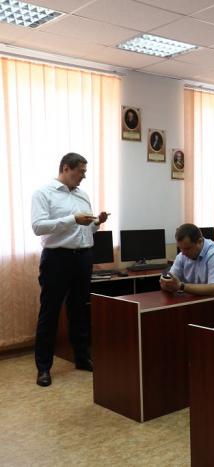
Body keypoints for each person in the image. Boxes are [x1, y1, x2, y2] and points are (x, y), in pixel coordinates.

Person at [31, 153, 110, 387]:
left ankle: (82, 358)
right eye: (81, 171)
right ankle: (43, 368)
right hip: (57, 258)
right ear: (66, 168)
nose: (84, 176)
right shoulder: (43, 193)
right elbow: (38, 227)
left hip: (83, 257)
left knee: (79, 310)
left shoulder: (83, 195)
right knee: (50, 312)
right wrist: (72, 219)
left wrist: (97, 222)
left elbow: (87, 230)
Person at [160, 223, 214, 296]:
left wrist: (181, 286)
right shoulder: (182, 255)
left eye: (187, 249)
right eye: (180, 248)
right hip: (198, 298)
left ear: (199, 241)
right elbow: (172, 281)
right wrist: (167, 283)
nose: (183, 253)